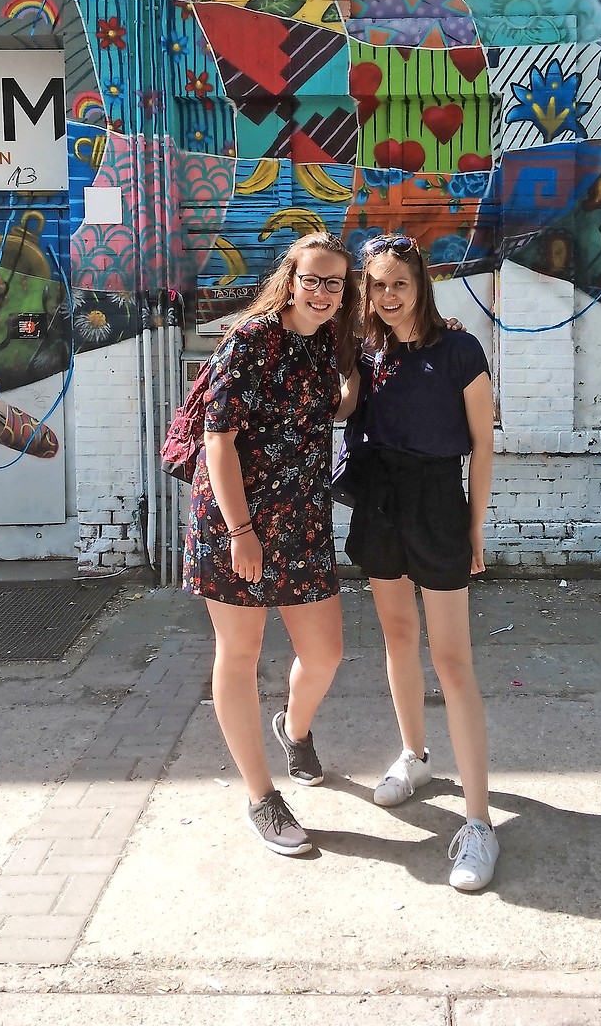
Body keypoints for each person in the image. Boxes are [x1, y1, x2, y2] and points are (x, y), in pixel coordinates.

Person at [183, 232, 358, 856]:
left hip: (303, 523)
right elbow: (218, 440)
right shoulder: (249, 340)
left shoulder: (328, 347)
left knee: (327, 653)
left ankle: (295, 728)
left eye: (333, 283)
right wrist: (240, 532)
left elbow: (329, 412)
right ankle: (261, 796)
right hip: (235, 522)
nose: (320, 292)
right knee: (240, 653)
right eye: (311, 279)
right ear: (290, 279)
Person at [344, 233, 498, 891]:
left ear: (421, 286)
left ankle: (480, 824)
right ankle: (414, 756)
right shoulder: (361, 350)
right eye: (375, 284)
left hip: (438, 498)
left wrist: (475, 528)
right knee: (398, 637)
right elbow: (342, 406)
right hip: (379, 499)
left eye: (398, 284)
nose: (387, 296)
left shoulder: (460, 348)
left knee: (452, 660)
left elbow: (483, 447)